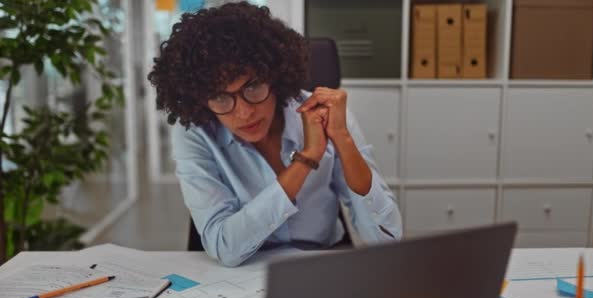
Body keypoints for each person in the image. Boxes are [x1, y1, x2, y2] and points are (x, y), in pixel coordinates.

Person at [148, 2, 402, 267]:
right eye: (220, 97)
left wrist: (343, 138)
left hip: (319, 264)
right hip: (242, 272)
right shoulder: (195, 134)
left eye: (253, 86)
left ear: (275, 75)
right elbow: (224, 246)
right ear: (200, 99)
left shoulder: (325, 114)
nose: (244, 112)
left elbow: (386, 240)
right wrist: (307, 159)